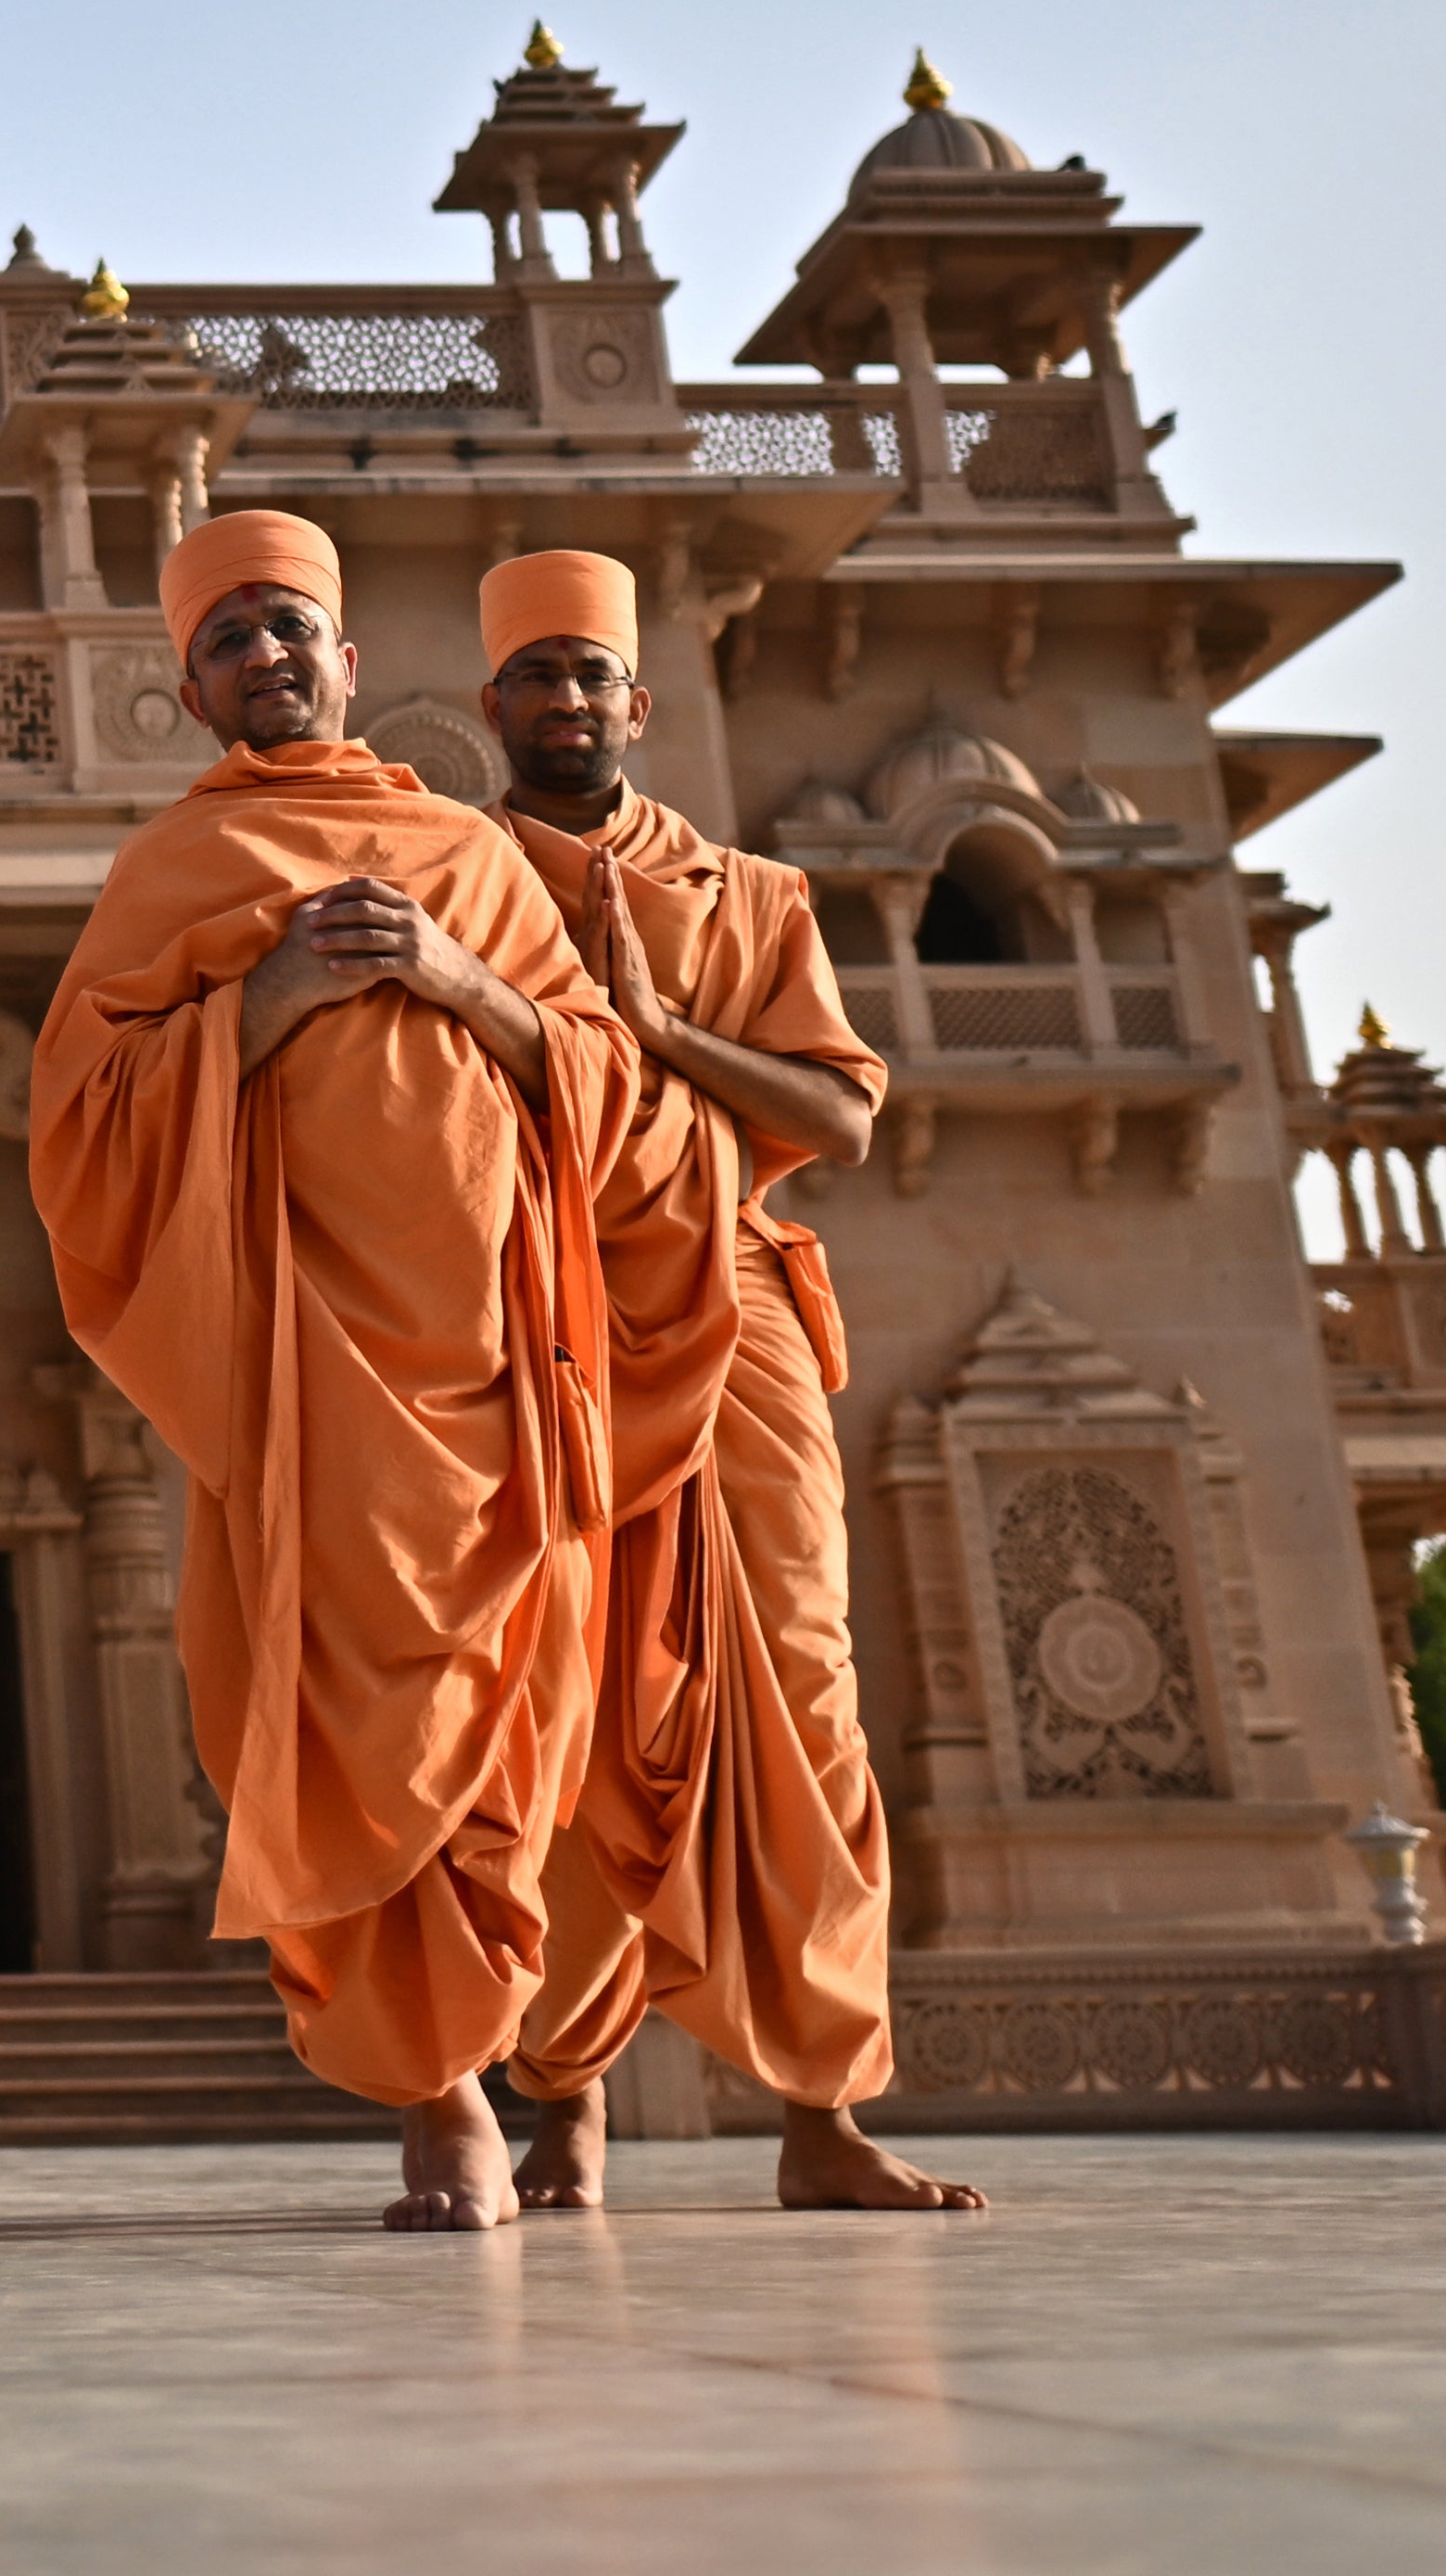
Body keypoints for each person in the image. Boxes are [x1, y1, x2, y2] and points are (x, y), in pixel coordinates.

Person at [19, 508, 631, 2233]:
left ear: (348, 660)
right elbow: (77, 1119)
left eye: (291, 629)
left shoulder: (474, 859)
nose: (266, 658)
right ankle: (439, 2101)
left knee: (522, 1726)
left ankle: (546, 2077)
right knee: (354, 1721)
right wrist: (263, 1002)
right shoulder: (173, 874)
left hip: (503, 1353)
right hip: (311, 1370)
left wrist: (455, 976)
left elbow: (600, 1075)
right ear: (190, 693)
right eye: (230, 642)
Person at [470, 550, 981, 2214]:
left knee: (800, 1694)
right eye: (534, 676)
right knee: (565, 1702)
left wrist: (652, 1030)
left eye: (588, 677)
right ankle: (565, 2092)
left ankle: (822, 2111)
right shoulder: (458, 880)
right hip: (526, 1310)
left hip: (736, 1305)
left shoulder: (753, 899)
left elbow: (837, 1116)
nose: (564, 701)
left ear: (637, 701)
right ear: (494, 707)